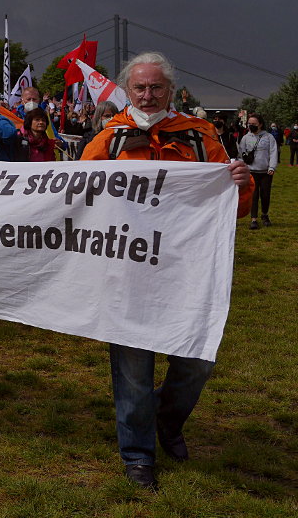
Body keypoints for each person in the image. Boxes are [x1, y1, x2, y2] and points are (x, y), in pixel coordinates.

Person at [81, 52, 253, 489]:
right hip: (127, 271)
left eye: (156, 87)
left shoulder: (200, 137)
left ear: (170, 90)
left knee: (196, 362)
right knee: (133, 369)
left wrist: (239, 182)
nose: (148, 94)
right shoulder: (109, 140)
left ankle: (167, 421)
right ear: (128, 90)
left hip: (188, 271)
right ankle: (138, 455)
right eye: (140, 87)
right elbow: (77, 199)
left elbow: (234, 206)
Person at [238, 113, 277, 229]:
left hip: (265, 172)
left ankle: (265, 215)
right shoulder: (246, 138)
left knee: (265, 195)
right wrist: (243, 167)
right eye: (249, 124)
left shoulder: (269, 137)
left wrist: (272, 167)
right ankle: (253, 219)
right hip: (251, 172)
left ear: (260, 124)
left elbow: (273, 153)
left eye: (253, 124)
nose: (251, 126)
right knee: (253, 196)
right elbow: (241, 153)